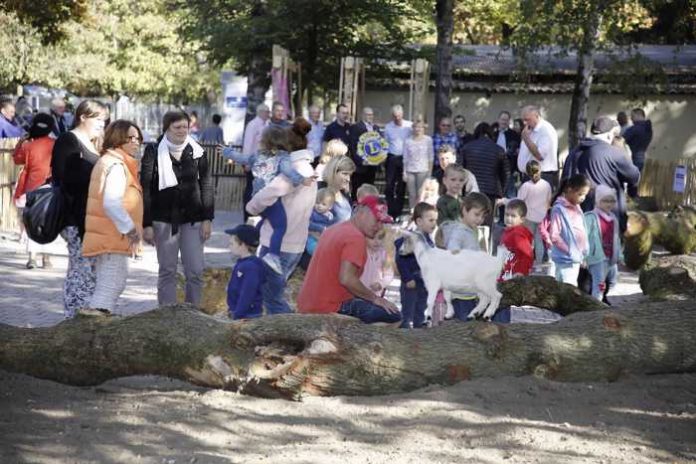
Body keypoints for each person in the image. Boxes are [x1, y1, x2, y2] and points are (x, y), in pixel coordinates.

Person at [140, 110, 214, 307]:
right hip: (164, 220)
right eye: (177, 127)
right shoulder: (153, 152)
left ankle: (194, 312)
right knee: (167, 270)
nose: (182, 131)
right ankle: (167, 314)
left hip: (193, 219)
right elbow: (145, 189)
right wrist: (146, 223)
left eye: (185, 127)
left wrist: (207, 219)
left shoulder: (198, 151)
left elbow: (206, 185)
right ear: (167, 128)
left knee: (196, 270)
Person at [246, 119, 317, 314]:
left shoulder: (294, 169)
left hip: (280, 244)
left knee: (271, 298)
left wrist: (251, 207)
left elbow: (270, 192)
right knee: (272, 295)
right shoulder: (307, 168)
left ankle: (293, 337)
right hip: (295, 241)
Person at [223, 124, 312, 274]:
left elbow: (242, 158)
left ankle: (251, 240)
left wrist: (228, 152)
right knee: (280, 226)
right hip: (269, 200)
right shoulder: (282, 157)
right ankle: (273, 255)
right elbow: (288, 172)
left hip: (256, 195)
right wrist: (302, 180)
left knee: (266, 220)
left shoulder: (258, 155)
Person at [297, 196, 400, 324]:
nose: (379, 226)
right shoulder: (355, 237)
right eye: (376, 220)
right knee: (395, 316)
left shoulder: (335, 229)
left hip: (307, 303)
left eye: (382, 222)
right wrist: (375, 299)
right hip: (329, 307)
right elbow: (347, 279)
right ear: (361, 211)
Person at [51, 99, 109, 318]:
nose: (102, 124)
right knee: (80, 271)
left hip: (94, 218)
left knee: (91, 272)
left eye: (104, 120)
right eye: (98, 119)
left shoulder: (95, 143)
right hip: (76, 219)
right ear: (83, 117)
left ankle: (86, 317)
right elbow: (66, 177)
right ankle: (73, 318)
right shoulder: (68, 141)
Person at [80, 120, 144, 316]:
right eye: (130, 138)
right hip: (113, 235)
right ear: (118, 139)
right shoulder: (116, 165)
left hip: (110, 235)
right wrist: (131, 229)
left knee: (110, 284)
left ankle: (95, 331)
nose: (136, 142)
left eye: (138, 138)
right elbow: (112, 203)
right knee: (110, 286)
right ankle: (95, 333)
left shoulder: (112, 161)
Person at [562, 116, 640, 233]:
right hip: (609, 219)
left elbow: (565, 182)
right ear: (609, 135)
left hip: (579, 218)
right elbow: (634, 177)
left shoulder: (574, 153)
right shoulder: (615, 153)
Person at [12, 113, 56, 269]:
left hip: (31, 188)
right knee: (49, 223)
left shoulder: (28, 146)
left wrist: (22, 141)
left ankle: (32, 257)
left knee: (32, 222)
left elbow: (17, 159)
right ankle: (47, 258)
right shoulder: (55, 144)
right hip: (51, 188)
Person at [440, 192, 490, 320]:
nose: (479, 219)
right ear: (464, 210)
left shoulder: (473, 230)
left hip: (471, 289)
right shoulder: (459, 231)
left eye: (483, 216)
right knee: (464, 326)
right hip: (460, 291)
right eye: (476, 214)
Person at [395, 202, 437, 328]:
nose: (434, 224)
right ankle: (404, 332)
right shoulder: (411, 238)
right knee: (408, 310)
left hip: (423, 282)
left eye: (435, 220)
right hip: (411, 281)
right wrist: (407, 278)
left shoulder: (429, 240)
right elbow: (400, 259)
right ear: (419, 221)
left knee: (421, 308)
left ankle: (418, 332)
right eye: (430, 220)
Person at [459, 122, 510, 226]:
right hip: (491, 191)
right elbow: (506, 174)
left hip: (470, 191)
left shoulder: (467, 147)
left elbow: (460, 170)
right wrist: (502, 192)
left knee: (470, 222)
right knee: (487, 223)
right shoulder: (499, 150)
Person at [549, 174, 591, 284]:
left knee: (570, 287)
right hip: (565, 259)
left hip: (576, 258)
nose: (583, 198)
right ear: (569, 190)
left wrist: (583, 251)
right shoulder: (559, 209)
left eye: (585, 195)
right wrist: (570, 251)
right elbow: (554, 235)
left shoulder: (576, 206)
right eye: (580, 194)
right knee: (568, 288)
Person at [584, 185, 621, 302]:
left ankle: (600, 300)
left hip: (610, 256)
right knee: (598, 283)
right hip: (597, 256)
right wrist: (584, 256)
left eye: (612, 201)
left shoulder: (613, 218)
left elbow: (616, 238)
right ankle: (595, 305)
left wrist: (619, 255)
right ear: (598, 201)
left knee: (611, 281)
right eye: (605, 201)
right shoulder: (590, 217)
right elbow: (584, 237)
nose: (609, 204)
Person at [515, 160, 552, 266]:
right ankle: (539, 263)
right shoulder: (547, 185)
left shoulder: (525, 186)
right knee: (539, 241)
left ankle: (527, 262)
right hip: (542, 217)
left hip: (528, 217)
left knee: (528, 241)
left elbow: (519, 201)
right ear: (540, 170)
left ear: (527, 173)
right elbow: (549, 201)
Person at [225, 224, 265, 320]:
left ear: (242, 245)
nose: (228, 246)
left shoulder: (250, 267)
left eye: (231, 244)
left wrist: (237, 314)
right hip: (240, 312)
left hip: (247, 315)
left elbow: (247, 293)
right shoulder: (244, 263)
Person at [517, 105, 559, 192]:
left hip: (541, 176)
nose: (524, 123)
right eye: (523, 120)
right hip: (529, 176)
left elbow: (540, 155)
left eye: (527, 119)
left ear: (537, 116)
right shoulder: (529, 129)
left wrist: (526, 138)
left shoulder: (545, 130)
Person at [241, 104, 270, 221]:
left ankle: (257, 215)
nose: (269, 114)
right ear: (261, 112)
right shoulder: (253, 125)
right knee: (250, 189)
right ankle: (247, 215)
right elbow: (247, 144)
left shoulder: (267, 125)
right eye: (268, 112)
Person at [383, 104, 412, 218]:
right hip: (391, 157)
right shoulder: (388, 127)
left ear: (402, 115)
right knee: (389, 186)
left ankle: (398, 211)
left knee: (401, 186)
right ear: (392, 116)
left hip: (404, 158)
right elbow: (385, 144)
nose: (397, 118)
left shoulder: (409, 126)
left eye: (399, 116)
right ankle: (390, 210)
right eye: (395, 116)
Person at [349, 107, 381, 200]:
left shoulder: (376, 128)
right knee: (358, 189)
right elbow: (353, 146)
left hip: (372, 165)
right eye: (368, 114)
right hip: (360, 166)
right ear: (362, 115)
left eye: (371, 115)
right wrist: (361, 161)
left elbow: (379, 145)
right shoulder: (355, 127)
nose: (370, 117)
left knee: (370, 189)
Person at [498, 199, 534, 281]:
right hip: (506, 272)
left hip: (513, 275)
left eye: (513, 216)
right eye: (507, 215)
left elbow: (527, 254)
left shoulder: (518, 234)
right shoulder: (509, 231)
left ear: (522, 219)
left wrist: (521, 271)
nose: (509, 218)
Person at [402, 120, 433, 211]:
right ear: (412, 128)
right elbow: (405, 157)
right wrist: (404, 172)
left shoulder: (428, 140)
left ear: (423, 128)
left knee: (421, 193)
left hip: (423, 170)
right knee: (412, 194)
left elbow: (430, 157)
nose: (418, 129)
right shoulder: (408, 141)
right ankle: (412, 212)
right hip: (410, 170)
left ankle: (421, 213)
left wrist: (429, 173)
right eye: (416, 127)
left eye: (420, 127)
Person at [360, 227, 395, 297]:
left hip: (375, 294)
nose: (376, 242)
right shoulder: (360, 251)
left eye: (379, 238)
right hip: (358, 292)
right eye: (372, 238)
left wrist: (381, 284)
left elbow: (389, 274)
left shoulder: (384, 253)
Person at [494, 110, 522, 197]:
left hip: (510, 169)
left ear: (509, 121)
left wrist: (517, 169)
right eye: (502, 119)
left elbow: (518, 153)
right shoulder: (493, 134)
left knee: (510, 196)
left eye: (506, 120)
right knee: (497, 196)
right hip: (495, 169)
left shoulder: (514, 135)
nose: (504, 122)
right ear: (498, 120)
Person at [323, 155, 356, 223]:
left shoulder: (346, 196)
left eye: (350, 175)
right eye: (345, 174)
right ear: (333, 172)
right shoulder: (318, 193)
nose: (348, 179)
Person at [306, 188, 335, 256]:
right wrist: (320, 228)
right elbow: (308, 224)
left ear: (330, 206)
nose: (319, 206)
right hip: (311, 238)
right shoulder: (312, 213)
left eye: (323, 204)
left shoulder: (330, 216)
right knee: (315, 249)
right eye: (317, 203)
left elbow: (331, 226)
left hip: (323, 238)